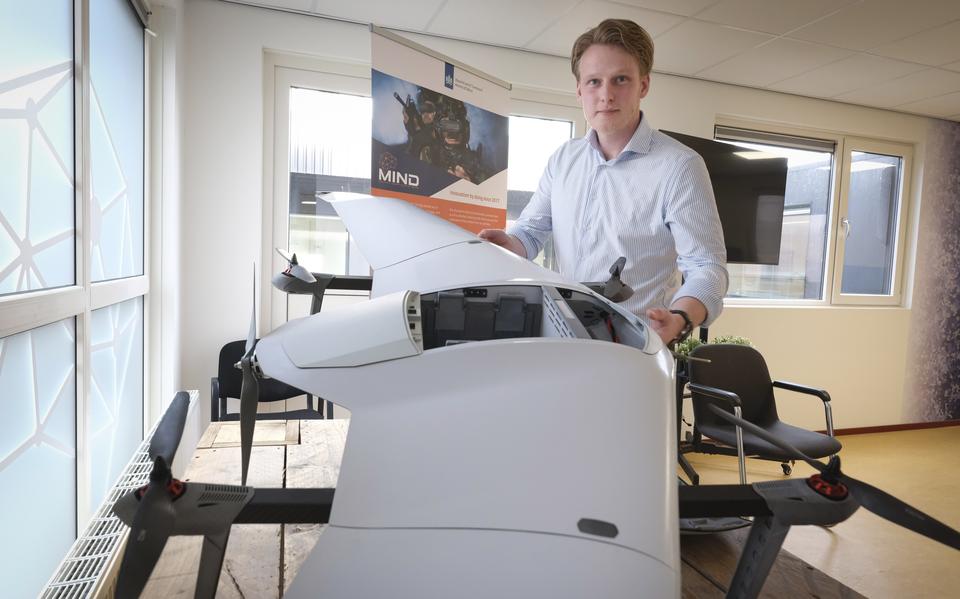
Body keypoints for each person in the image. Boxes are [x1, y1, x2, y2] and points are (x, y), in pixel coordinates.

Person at [479, 18, 727, 346]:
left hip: (637, 349)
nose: (606, 95)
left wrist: (679, 318)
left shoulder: (680, 167)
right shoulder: (563, 159)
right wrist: (511, 245)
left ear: (643, 86)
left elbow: (708, 267)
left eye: (620, 79)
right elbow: (532, 230)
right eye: (594, 81)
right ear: (579, 89)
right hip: (565, 338)